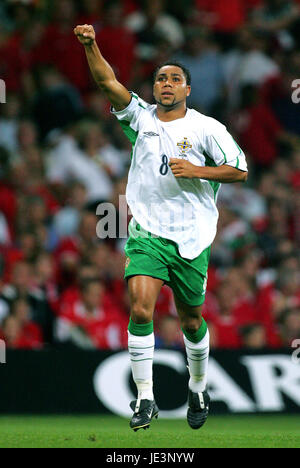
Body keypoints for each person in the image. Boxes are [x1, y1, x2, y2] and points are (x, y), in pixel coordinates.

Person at [74, 23, 248, 432]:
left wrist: (198, 169)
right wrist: (90, 44)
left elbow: (239, 171)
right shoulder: (140, 117)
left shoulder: (208, 129)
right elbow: (107, 82)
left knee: (191, 321)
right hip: (148, 231)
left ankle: (199, 386)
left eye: (175, 79)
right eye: (160, 78)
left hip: (192, 237)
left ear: (188, 89)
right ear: (154, 88)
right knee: (139, 307)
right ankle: (146, 398)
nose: (166, 84)